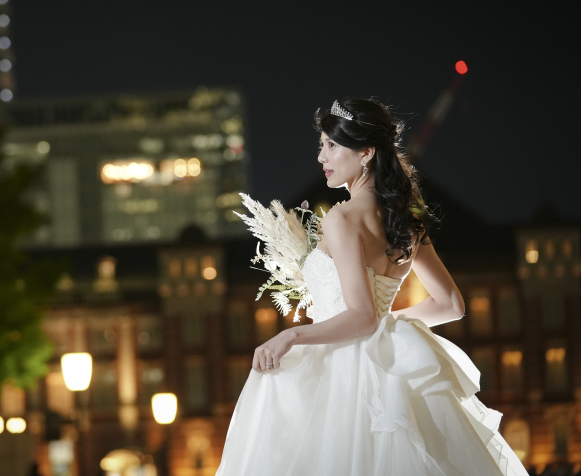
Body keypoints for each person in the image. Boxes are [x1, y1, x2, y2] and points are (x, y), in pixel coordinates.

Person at [215, 98, 528, 476]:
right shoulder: (406, 217)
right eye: (321, 145)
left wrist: (290, 336)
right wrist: (389, 324)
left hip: (339, 377)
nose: (321, 157)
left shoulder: (342, 218)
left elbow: (361, 316)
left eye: (331, 145)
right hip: (388, 371)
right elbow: (449, 304)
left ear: (365, 152)